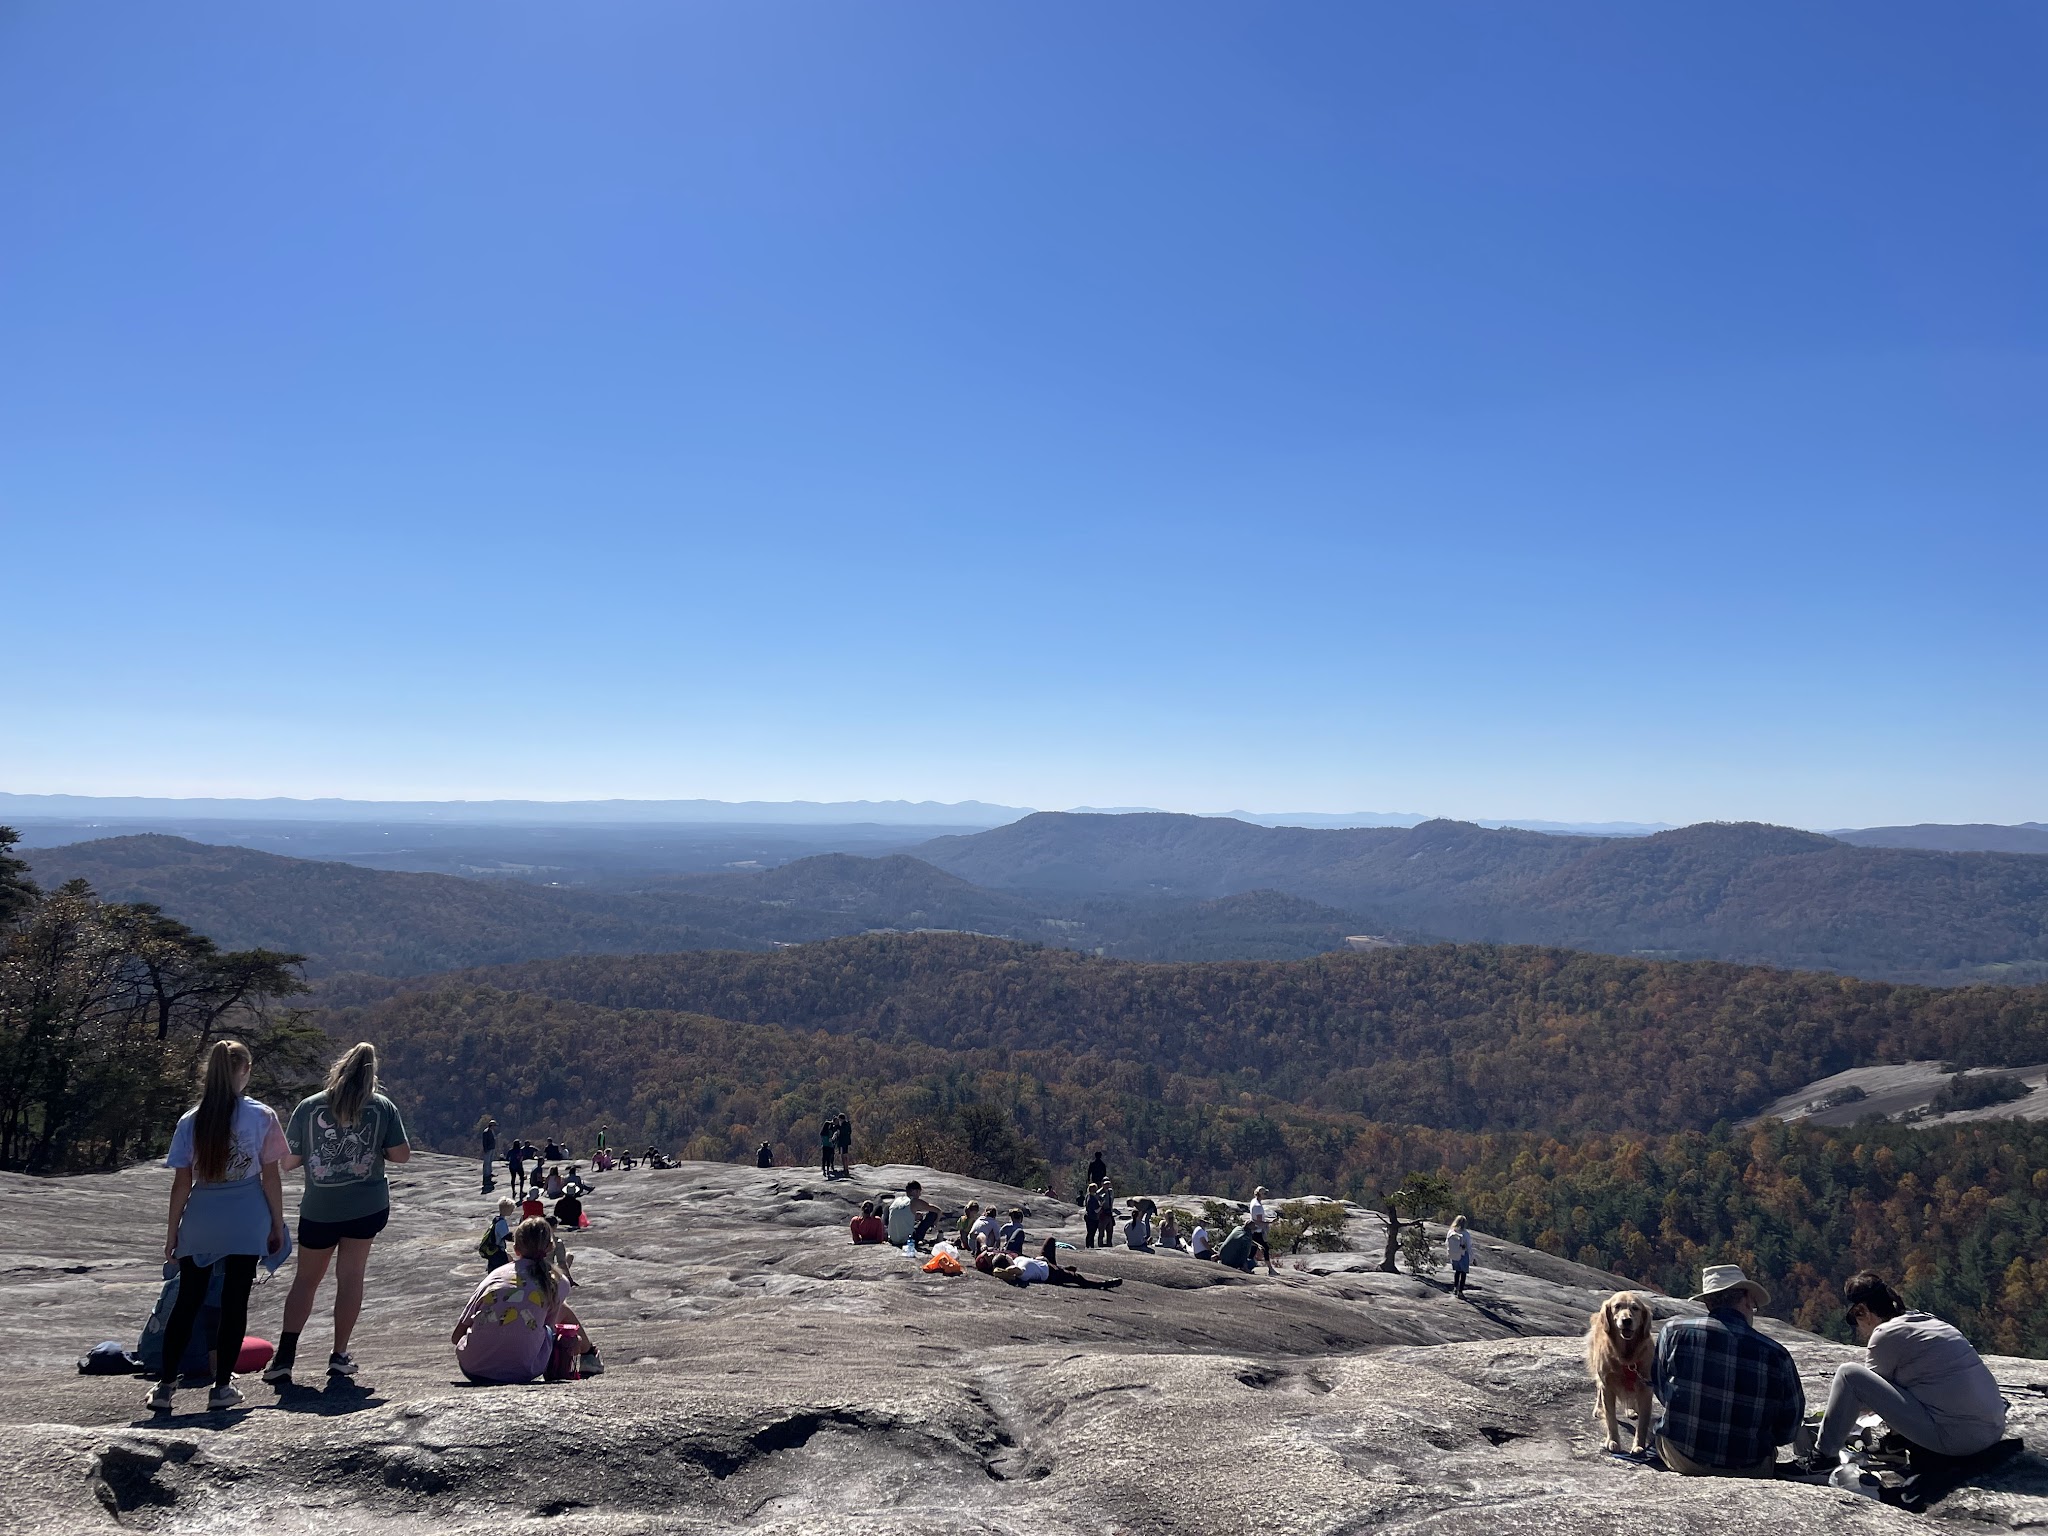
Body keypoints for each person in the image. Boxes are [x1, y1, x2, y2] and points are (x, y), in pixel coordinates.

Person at [147, 1040, 289, 1414]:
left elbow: (182, 1183)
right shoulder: (262, 1116)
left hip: (202, 1215)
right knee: (234, 1302)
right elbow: (271, 1177)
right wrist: (276, 1224)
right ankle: (222, 1387)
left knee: (187, 1301)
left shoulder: (190, 1120)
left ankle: (165, 1388)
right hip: (247, 1215)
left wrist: (173, 1232)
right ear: (244, 1070)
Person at [267, 1042, 411, 1386]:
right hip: (366, 1208)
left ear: (339, 1069)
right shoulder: (382, 1107)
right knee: (351, 1277)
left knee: (306, 1281)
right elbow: (401, 1155)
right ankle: (339, 1355)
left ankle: (284, 1358)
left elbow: (289, 1162)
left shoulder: (309, 1107)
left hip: (320, 1209)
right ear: (371, 1074)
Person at [1810, 1272, 2007, 1463]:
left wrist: (1834, 1418)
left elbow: (1865, 1399)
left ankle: (1822, 1458)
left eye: (1855, 1319)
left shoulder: (1886, 1333)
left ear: (1862, 1311)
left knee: (1849, 1375)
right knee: (1908, 1382)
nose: (1858, 1328)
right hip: (1992, 1431)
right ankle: (1896, 1443)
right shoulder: (1928, 1320)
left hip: (1958, 1441)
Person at [1653, 1264, 1803, 1477]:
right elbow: (1789, 1429)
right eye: (1754, 1304)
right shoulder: (1777, 1354)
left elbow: (1661, 1389)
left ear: (1708, 1302)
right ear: (1746, 1299)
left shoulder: (1672, 1333)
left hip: (1683, 1459)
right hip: (1750, 1467)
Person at [451, 1217, 600, 1383]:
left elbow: (456, 1337)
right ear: (550, 1247)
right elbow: (548, 1328)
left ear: (515, 1248)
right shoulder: (558, 1281)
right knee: (562, 1312)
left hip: (474, 1368)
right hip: (523, 1370)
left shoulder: (494, 1277)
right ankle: (589, 1355)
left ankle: (589, 1354)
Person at [1035, 1237, 1122, 1290]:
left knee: (1050, 1240)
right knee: (1077, 1278)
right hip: (1049, 1273)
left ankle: (1061, 1268)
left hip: (1041, 1262)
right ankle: (1102, 1284)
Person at [885, 1181, 941, 1248]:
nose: (919, 1195)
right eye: (919, 1192)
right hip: (908, 1241)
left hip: (893, 1240)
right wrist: (936, 1223)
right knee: (933, 1213)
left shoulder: (897, 1200)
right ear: (915, 1191)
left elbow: (901, 1215)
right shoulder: (914, 1201)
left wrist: (914, 1215)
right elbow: (938, 1210)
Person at [1246, 1187, 1278, 1275]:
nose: (1266, 1195)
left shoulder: (1254, 1201)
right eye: (1264, 1194)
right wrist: (1270, 1222)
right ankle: (1270, 1269)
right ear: (1261, 1194)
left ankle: (1246, 1267)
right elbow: (1259, 1222)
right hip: (1256, 1231)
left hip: (1252, 1230)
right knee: (1265, 1248)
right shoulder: (1258, 1206)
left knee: (1253, 1249)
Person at [1446, 1214, 1473, 1299]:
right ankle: (1460, 1292)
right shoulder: (1465, 1234)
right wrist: (1472, 1257)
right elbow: (1469, 1246)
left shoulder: (1451, 1232)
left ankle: (1455, 1288)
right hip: (1463, 1255)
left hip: (1454, 1255)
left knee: (1457, 1272)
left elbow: (1447, 1243)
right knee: (1463, 1273)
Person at [485, 1197, 515, 1270]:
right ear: (507, 1210)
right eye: (511, 1209)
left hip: (494, 1249)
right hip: (498, 1251)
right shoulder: (501, 1223)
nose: (512, 1211)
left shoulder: (496, 1220)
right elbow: (506, 1236)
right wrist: (517, 1238)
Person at [1082, 1183, 1105, 1249]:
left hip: (1088, 1216)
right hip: (1092, 1217)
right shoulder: (1092, 1199)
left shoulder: (1088, 1196)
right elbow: (1096, 1211)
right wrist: (1101, 1205)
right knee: (1092, 1233)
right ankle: (1090, 1246)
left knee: (1089, 1232)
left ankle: (1088, 1245)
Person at [479, 1117, 497, 1194]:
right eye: (494, 1125)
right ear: (491, 1125)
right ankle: (486, 1175)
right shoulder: (486, 1132)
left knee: (490, 1161)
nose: (495, 1127)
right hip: (488, 1149)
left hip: (492, 1148)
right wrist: (485, 1149)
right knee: (486, 1162)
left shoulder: (491, 1131)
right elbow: (484, 1141)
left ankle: (489, 1173)